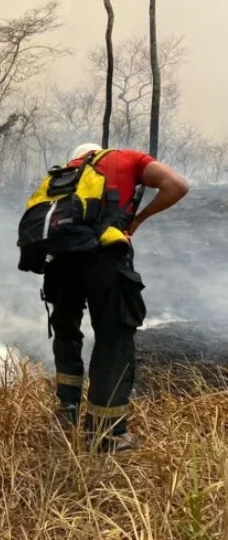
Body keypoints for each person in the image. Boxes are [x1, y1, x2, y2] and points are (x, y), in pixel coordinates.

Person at [43, 142, 188, 452]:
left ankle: (67, 411)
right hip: (104, 258)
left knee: (67, 333)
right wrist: (138, 219)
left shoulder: (66, 172)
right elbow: (177, 186)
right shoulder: (126, 158)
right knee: (113, 338)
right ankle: (107, 433)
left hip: (61, 262)